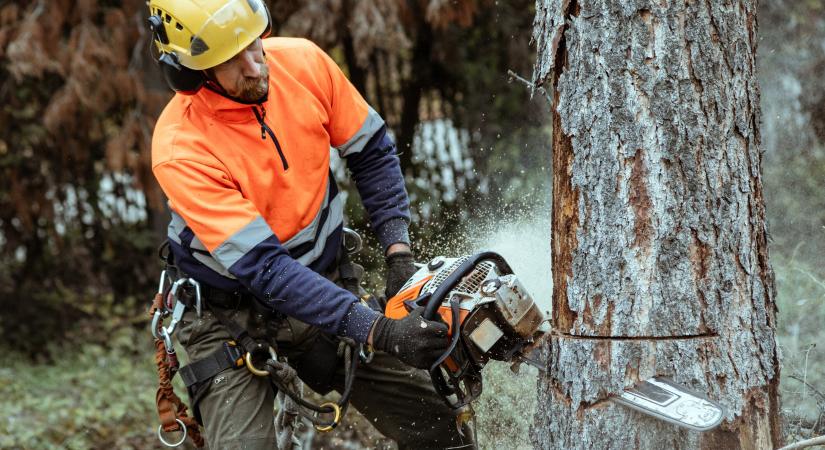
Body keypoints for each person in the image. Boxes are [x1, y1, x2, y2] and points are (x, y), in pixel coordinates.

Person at [147, 0, 473, 448]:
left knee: (437, 427)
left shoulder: (303, 63)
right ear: (193, 73)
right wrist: (381, 331)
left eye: (252, 43)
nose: (255, 66)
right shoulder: (181, 146)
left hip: (324, 284)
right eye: (231, 58)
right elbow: (266, 269)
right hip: (228, 315)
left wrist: (399, 253)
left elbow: (372, 151)